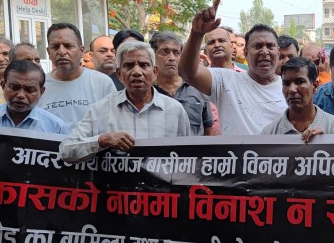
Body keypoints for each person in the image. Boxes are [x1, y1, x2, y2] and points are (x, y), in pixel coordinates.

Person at [60, 41, 191, 162]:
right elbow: (66, 150)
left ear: (154, 72)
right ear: (119, 74)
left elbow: (188, 157)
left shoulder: (174, 110)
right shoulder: (101, 110)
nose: (137, 72)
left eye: (144, 65)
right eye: (128, 66)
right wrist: (101, 141)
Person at [179, 0, 287, 135]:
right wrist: (197, 34)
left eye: (270, 46)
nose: (264, 52)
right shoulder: (225, 81)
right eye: (258, 46)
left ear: (278, 52)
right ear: (246, 53)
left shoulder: (291, 88)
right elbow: (187, 72)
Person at [37, 23, 116, 127]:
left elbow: (114, 123)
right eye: (55, 47)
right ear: (48, 52)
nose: (62, 52)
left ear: (81, 51)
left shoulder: (102, 83)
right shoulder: (38, 86)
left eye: (68, 46)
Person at [0, 60, 68, 134]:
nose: (20, 95)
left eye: (29, 90)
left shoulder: (56, 128)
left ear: (41, 92)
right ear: (3, 86)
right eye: (14, 87)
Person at [262, 57, 334, 141]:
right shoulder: (269, 133)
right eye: (286, 83)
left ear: (315, 86)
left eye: (299, 82)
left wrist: (326, 142)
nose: (291, 89)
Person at [151, 32, 216, 136]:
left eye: (176, 52)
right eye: (164, 52)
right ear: (152, 56)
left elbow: (208, 130)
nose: (171, 58)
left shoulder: (198, 88)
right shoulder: (147, 91)